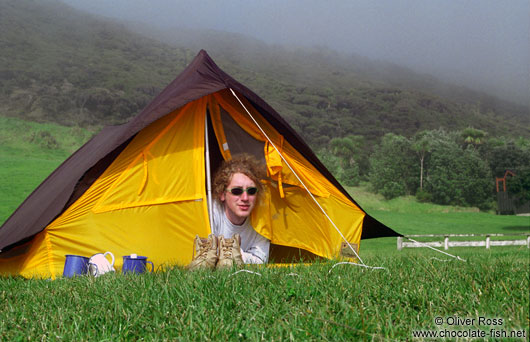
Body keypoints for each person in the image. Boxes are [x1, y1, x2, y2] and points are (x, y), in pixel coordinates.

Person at [188, 154, 270, 270]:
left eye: (251, 191)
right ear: (222, 194)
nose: (245, 198)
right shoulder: (209, 212)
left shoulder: (261, 220)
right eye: (237, 191)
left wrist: (235, 254)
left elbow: (261, 259)